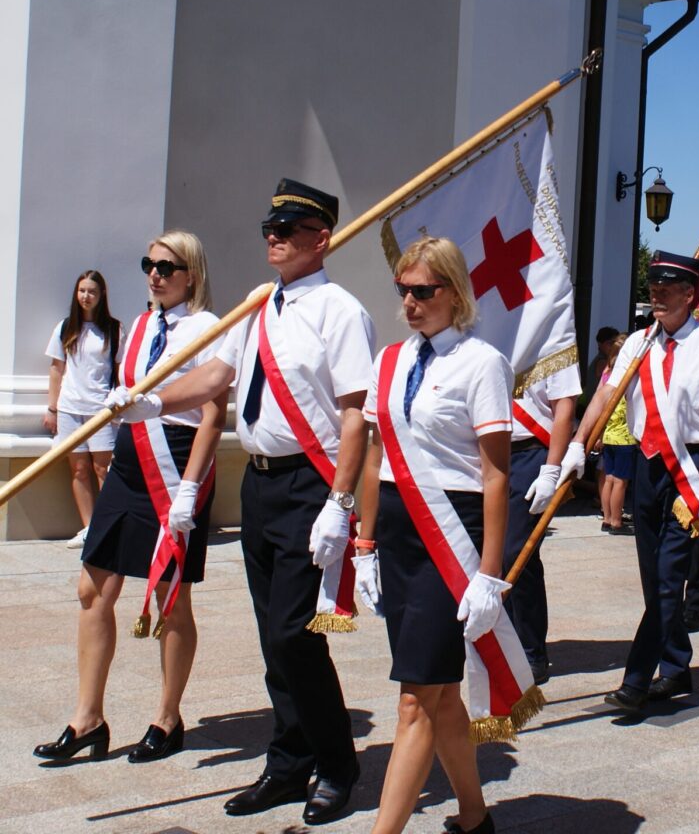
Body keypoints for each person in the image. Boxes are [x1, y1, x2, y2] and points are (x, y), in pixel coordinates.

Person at [113, 180, 373, 824]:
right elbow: (216, 376)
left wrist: (341, 503)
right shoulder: (258, 304)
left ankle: (337, 764)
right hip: (259, 484)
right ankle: (287, 763)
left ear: (321, 238)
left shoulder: (340, 311)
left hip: (310, 485)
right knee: (271, 635)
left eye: (287, 229)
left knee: (294, 635)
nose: (273, 238)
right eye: (269, 229)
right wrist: (153, 401)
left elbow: (354, 416)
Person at [355, 236, 539, 834]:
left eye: (423, 291)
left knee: (415, 699)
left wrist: (489, 573)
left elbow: (495, 474)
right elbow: (375, 457)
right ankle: (475, 814)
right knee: (440, 693)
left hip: (451, 538)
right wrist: (363, 545)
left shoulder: (482, 362)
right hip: (398, 535)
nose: (409, 302)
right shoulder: (388, 361)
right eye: (403, 290)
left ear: (455, 293)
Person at [35, 232, 223, 766]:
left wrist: (190, 488)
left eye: (167, 266)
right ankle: (87, 719)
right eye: (149, 264)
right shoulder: (138, 327)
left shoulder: (208, 327)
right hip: (130, 459)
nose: (155, 274)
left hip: (177, 463)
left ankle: (167, 718)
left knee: (171, 598)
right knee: (92, 588)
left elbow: (213, 414)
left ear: (191, 274)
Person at [563, 251, 699, 714]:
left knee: (668, 576)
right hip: (647, 464)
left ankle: (637, 679)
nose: (657, 297)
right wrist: (579, 443)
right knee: (652, 575)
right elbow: (606, 393)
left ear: (689, 295)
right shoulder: (639, 343)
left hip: (692, 466)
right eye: (653, 290)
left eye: (666, 290)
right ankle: (676, 666)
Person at [501, 312, 581, 689]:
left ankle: (530, 649)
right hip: (484, 453)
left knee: (517, 554)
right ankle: (499, 640)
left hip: (530, 452)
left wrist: (552, 468)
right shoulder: (485, 334)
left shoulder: (552, 341)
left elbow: (564, 408)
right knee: (486, 555)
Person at [43, 271, 123, 549]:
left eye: (92, 291)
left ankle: (109, 527)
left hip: (101, 410)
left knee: (104, 469)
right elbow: (57, 369)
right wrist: (52, 409)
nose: (86, 296)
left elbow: (120, 370)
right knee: (78, 469)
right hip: (69, 409)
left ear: (102, 295)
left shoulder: (114, 329)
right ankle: (89, 528)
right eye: (82, 291)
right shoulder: (66, 327)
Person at [597, 333, 637, 534]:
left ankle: (606, 518)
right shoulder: (627, 379)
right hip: (624, 436)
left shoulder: (607, 375)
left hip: (609, 435)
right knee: (620, 481)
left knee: (609, 478)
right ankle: (616, 521)